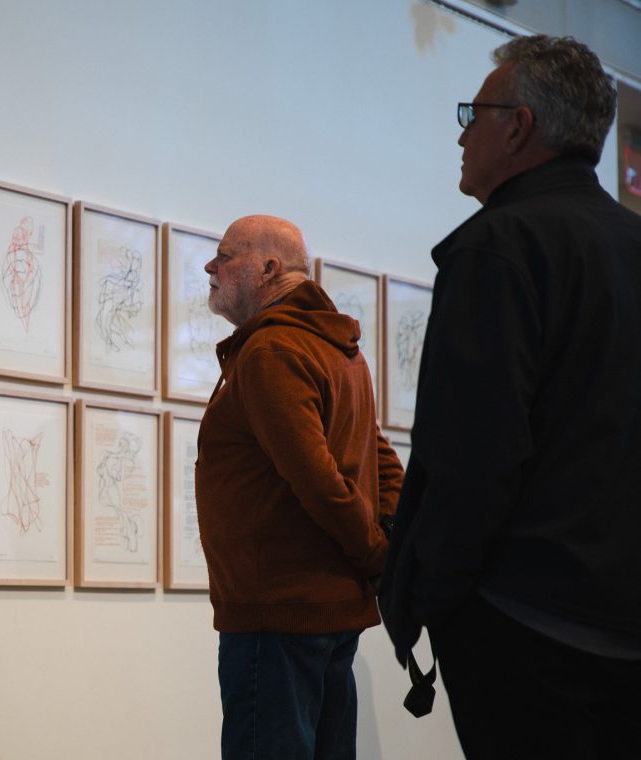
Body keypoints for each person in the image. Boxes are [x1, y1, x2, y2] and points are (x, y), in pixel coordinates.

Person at [378, 34, 641, 759]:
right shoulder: (628, 243)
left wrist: (436, 594)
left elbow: (473, 454)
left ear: (519, 126)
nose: (463, 132)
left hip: (525, 626)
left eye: (475, 112)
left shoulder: (498, 247)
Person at [196, 214, 403, 760]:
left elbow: (319, 482)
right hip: (324, 613)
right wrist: (384, 549)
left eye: (224, 256)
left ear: (267, 269)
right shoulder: (338, 350)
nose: (209, 267)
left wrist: (377, 555)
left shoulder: (272, 352)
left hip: (277, 615)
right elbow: (383, 463)